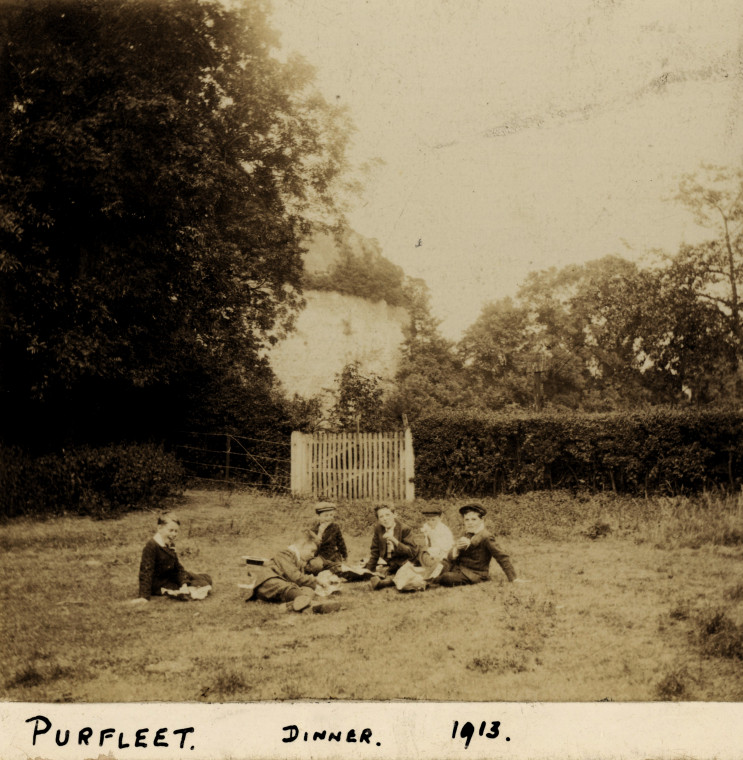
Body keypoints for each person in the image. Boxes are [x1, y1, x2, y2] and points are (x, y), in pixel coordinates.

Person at [245, 530, 341, 613]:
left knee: (307, 590)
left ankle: (293, 606)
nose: (312, 555)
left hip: (280, 589)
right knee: (288, 587)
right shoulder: (284, 554)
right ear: (300, 545)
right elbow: (295, 576)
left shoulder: (298, 560)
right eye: (311, 551)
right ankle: (313, 605)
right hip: (268, 582)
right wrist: (316, 581)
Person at [133, 512, 212, 602]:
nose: (174, 534)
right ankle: (185, 591)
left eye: (176, 531)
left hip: (172, 576)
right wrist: (144, 596)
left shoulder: (169, 544)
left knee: (207, 578)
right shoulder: (152, 546)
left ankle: (187, 585)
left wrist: (184, 583)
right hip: (161, 583)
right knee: (202, 584)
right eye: (170, 530)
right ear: (159, 528)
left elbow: (177, 567)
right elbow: (146, 571)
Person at [431, 504, 516, 587]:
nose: (470, 523)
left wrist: (513, 578)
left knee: (447, 577)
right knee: (441, 565)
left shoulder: (486, 537)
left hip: (475, 574)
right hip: (459, 569)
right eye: (467, 520)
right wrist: (456, 548)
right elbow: (451, 556)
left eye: (474, 519)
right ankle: (428, 579)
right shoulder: (465, 532)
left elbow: (502, 557)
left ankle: (429, 582)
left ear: (482, 520)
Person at [366, 504, 419, 590]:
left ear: (394, 515)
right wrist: (369, 571)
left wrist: (394, 540)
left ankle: (384, 583)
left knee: (404, 574)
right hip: (391, 563)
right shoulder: (379, 529)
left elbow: (411, 552)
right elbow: (375, 550)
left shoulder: (404, 529)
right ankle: (384, 578)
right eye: (381, 516)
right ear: (378, 520)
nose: (385, 519)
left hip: (406, 561)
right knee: (376, 570)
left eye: (387, 515)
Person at [306, 502, 348, 574]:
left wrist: (345, 555)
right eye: (326, 516)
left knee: (340, 570)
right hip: (320, 556)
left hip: (332, 556)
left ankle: (332, 570)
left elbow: (341, 542)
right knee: (315, 567)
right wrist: (320, 534)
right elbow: (312, 548)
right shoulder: (314, 530)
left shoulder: (335, 527)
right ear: (318, 517)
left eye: (331, 515)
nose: (329, 518)